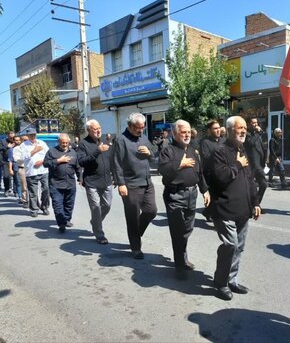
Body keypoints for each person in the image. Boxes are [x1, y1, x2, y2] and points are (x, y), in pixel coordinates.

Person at [207, 116, 261, 301]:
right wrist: (238, 164)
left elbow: (250, 180)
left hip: (243, 210)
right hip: (224, 209)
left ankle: (232, 280)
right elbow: (220, 178)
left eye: (245, 127)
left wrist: (255, 203)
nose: (243, 131)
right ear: (229, 131)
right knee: (230, 245)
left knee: (239, 248)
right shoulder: (219, 152)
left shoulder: (243, 150)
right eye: (239, 128)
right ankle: (221, 282)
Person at [158, 120, 210, 272]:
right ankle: (180, 264)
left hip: (191, 194)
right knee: (178, 230)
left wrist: (204, 190)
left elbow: (199, 173)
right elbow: (163, 170)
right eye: (183, 132)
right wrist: (179, 164)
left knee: (187, 230)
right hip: (175, 195)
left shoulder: (193, 150)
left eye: (188, 132)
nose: (187, 135)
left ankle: (182, 256)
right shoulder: (168, 151)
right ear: (174, 134)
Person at [112, 113, 158, 259]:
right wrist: (121, 184)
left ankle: (135, 234)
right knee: (133, 217)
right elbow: (116, 163)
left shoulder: (143, 138)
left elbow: (154, 155)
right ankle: (136, 248)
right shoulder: (121, 140)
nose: (141, 131)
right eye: (138, 128)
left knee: (151, 211)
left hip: (146, 182)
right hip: (130, 184)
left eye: (143, 128)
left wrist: (149, 152)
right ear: (130, 126)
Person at [78, 120, 113, 244]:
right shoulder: (83, 144)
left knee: (107, 206)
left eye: (99, 128)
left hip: (107, 180)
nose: (98, 131)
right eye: (95, 129)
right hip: (92, 181)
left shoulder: (105, 141)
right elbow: (81, 161)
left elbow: (111, 159)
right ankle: (99, 234)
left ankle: (95, 221)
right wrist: (97, 151)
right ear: (89, 130)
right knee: (96, 208)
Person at [43, 134, 81, 233]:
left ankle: (67, 219)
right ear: (59, 142)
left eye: (66, 143)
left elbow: (77, 166)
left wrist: (80, 178)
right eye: (62, 143)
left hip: (70, 183)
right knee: (57, 205)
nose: (64, 145)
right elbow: (45, 163)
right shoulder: (52, 151)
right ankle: (61, 224)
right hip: (56, 183)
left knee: (69, 204)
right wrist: (59, 160)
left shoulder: (73, 152)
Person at [20, 128, 50, 218]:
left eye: (34, 135)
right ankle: (34, 209)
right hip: (31, 171)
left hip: (43, 170)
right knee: (33, 192)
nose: (33, 137)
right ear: (27, 136)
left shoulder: (42, 143)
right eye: (31, 135)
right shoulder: (23, 145)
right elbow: (23, 157)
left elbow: (48, 155)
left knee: (46, 189)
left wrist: (42, 161)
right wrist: (35, 150)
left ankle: (44, 207)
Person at [244, 117, 268, 207]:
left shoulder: (258, 135)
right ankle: (252, 205)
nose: (256, 124)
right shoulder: (247, 134)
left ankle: (255, 204)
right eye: (253, 123)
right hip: (251, 165)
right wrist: (258, 133)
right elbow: (251, 143)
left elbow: (263, 147)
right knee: (250, 187)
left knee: (264, 184)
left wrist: (265, 160)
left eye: (257, 123)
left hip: (259, 165)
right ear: (249, 124)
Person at [12, 135, 28, 208]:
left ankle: (34, 201)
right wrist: (27, 156)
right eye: (24, 140)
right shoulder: (17, 149)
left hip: (31, 168)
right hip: (22, 168)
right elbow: (16, 159)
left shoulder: (30, 147)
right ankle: (25, 200)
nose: (26, 141)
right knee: (24, 185)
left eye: (27, 140)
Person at [8, 136, 23, 204]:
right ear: (14, 141)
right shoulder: (11, 149)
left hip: (24, 167)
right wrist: (10, 169)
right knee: (18, 183)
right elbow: (10, 160)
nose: (18, 141)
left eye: (19, 140)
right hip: (16, 167)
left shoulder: (23, 148)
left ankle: (25, 197)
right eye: (16, 140)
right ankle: (20, 197)